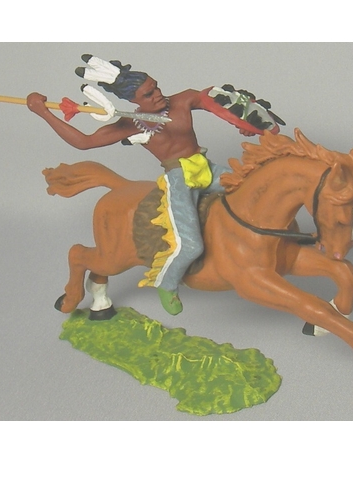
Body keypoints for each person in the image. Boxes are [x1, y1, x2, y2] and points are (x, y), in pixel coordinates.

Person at [27, 54, 257, 315]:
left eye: (156, 87)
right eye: (148, 94)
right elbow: (84, 142)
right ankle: (167, 284)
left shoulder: (183, 100)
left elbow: (215, 102)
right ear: (133, 100)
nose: (158, 95)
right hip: (179, 179)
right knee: (190, 244)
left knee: (255, 187)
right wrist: (43, 112)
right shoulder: (131, 124)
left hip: (206, 168)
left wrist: (242, 122)